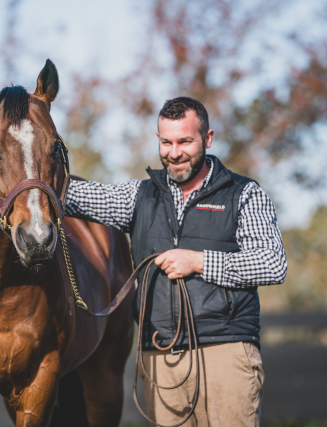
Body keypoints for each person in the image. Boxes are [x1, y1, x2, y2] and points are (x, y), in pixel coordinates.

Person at [65, 97, 287, 427]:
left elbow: (272, 263)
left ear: (207, 139)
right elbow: (74, 196)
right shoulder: (137, 197)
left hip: (225, 350)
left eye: (185, 141)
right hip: (161, 356)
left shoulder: (243, 193)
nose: (174, 152)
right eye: (166, 142)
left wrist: (199, 261)